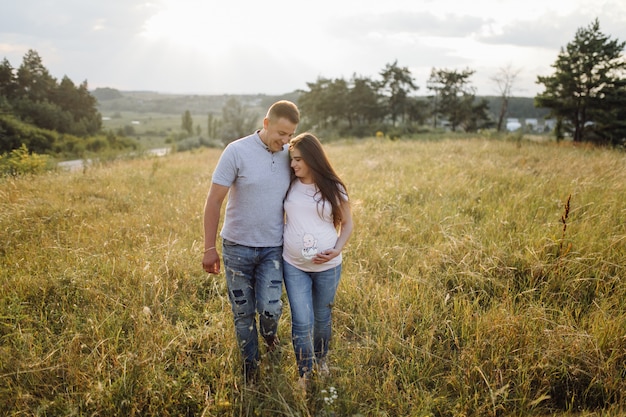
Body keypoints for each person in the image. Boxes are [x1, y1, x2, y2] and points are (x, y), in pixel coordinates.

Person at [202, 100, 300, 385]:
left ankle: (270, 337)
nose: (285, 140)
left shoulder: (289, 156)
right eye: (281, 133)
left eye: (290, 135)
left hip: (273, 248)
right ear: (266, 123)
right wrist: (209, 249)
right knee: (242, 314)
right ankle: (251, 369)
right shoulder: (236, 151)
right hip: (236, 249)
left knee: (271, 308)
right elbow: (214, 201)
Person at [282, 132, 353, 392]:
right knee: (302, 321)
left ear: (312, 158)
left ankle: (321, 361)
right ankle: (304, 373)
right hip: (294, 265)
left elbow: (347, 224)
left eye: (298, 159)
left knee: (322, 318)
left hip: (327, 268)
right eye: (292, 159)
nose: (293, 165)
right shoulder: (289, 184)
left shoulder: (334, 187)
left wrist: (336, 249)